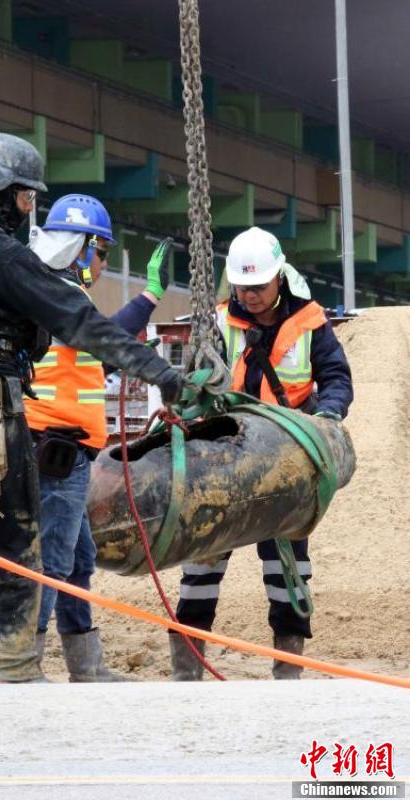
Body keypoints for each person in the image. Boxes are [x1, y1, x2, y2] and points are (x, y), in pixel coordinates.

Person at [0, 132, 182, 684]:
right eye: (27, 198)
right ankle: (14, 671)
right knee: (16, 547)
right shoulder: (0, 253)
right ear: (7, 193)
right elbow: (80, 321)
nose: (29, 209)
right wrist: (162, 374)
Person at [170, 226, 353, 680]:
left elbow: (336, 377)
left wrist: (327, 417)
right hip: (224, 455)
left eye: (258, 286)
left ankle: (288, 668)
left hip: (287, 460)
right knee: (203, 561)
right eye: (241, 286)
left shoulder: (310, 322)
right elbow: (191, 382)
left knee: (288, 568)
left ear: (279, 279)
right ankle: (187, 670)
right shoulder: (216, 323)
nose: (248, 295)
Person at [24, 194, 171, 681]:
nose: (105, 264)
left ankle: (85, 665)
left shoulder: (60, 292)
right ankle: (24, 665)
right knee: (54, 558)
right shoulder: (54, 291)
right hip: (54, 449)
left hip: (72, 454)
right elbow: (104, 337)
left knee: (79, 557)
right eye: (102, 252)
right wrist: (148, 299)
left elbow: (99, 354)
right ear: (82, 247)